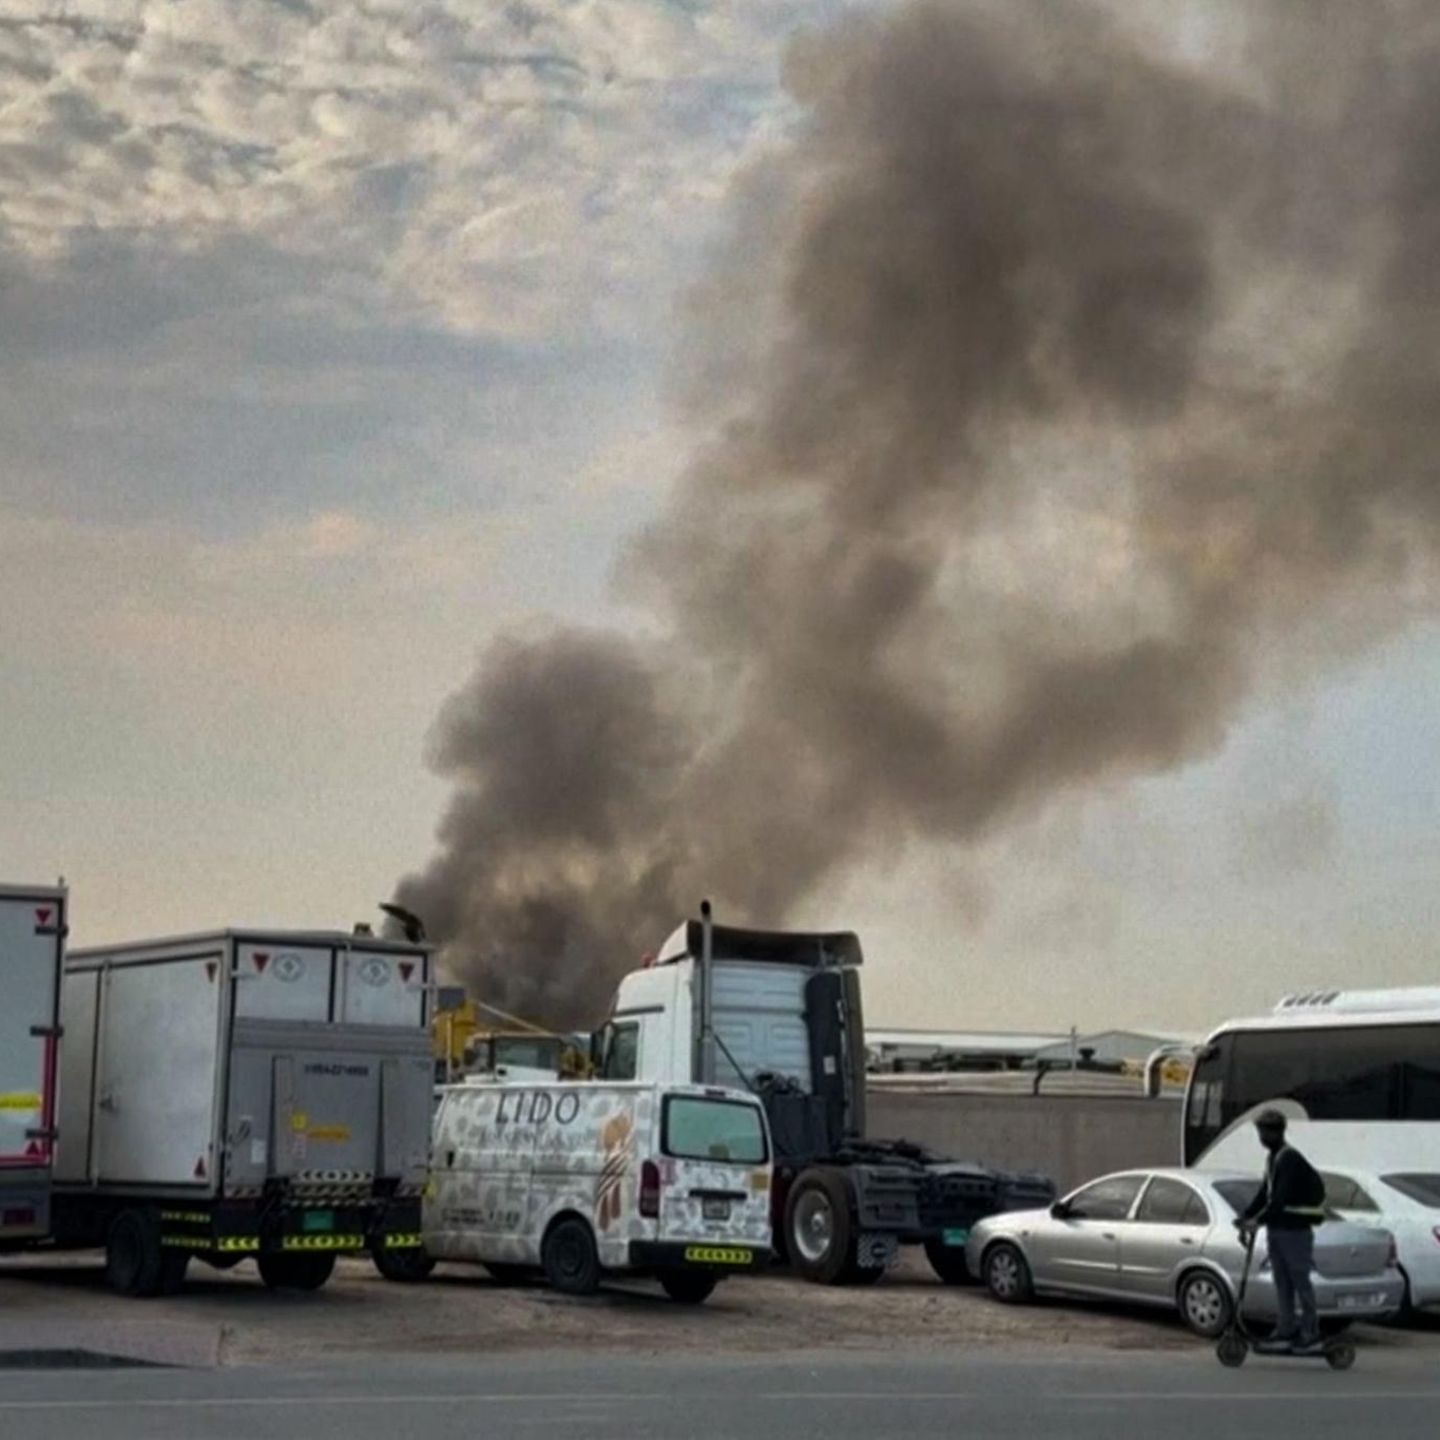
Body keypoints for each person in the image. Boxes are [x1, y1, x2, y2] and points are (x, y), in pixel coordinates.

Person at [1236, 1109, 1329, 1352]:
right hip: (1277, 1231)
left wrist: (1257, 1221)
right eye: (1261, 1132)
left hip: (1295, 1232)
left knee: (1300, 1281)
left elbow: (1278, 1200)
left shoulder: (1290, 1158)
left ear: (1276, 1132)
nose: (1262, 1137)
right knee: (1282, 1283)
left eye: (1265, 1132)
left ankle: (1310, 1331)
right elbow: (1264, 1193)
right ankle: (1285, 1328)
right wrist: (1245, 1215)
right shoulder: (1273, 1159)